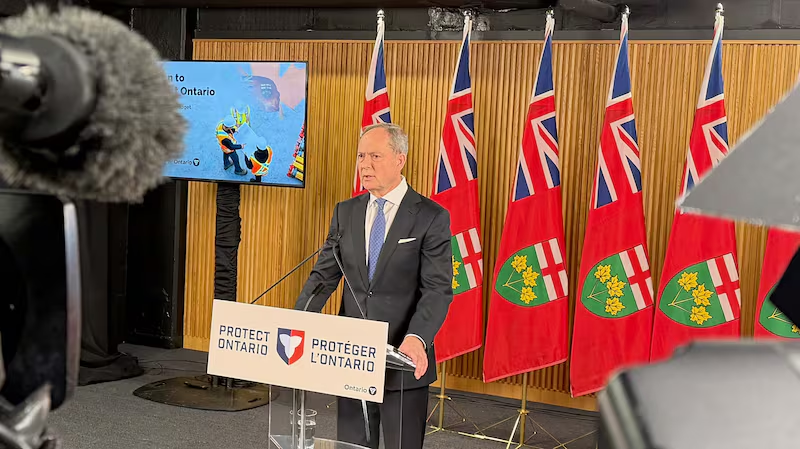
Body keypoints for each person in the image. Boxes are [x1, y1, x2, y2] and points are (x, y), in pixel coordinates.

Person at [294, 123, 453, 449]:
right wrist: (296, 322)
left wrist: (417, 338)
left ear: (399, 159)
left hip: (404, 358)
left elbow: (437, 289)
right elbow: (324, 277)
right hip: (353, 357)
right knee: (352, 445)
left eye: (375, 156)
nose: (364, 165)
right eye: (361, 156)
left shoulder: (430, 216)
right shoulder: (346, 212)